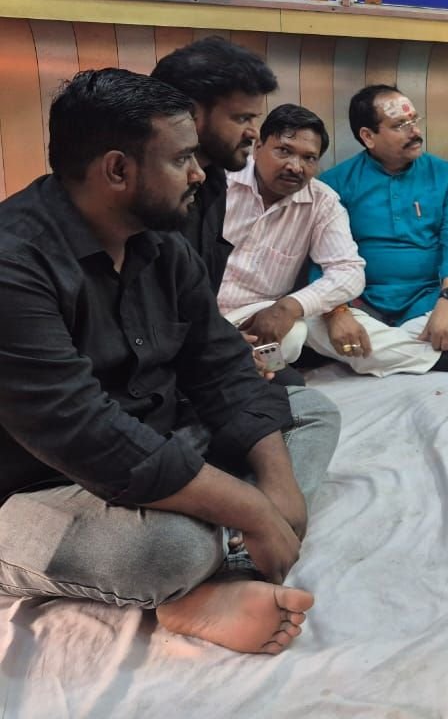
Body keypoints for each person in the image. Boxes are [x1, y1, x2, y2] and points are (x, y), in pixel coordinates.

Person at [0, 69, 339, 654]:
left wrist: (277, 483)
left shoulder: (160, 241)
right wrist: (254, 511)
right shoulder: (14, 265)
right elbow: (86, 435)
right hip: (39, 481)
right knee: (169, 550)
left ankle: (215, 569)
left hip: (154, 437)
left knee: (309, 413)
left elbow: (220, 364)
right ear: (118, 170)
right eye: (182, 159)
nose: (200, 173)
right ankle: (205, 571)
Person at [319, 85, 448, 376]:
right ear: (368, 136)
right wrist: (337, 313)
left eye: (414, 120)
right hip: (360, 302)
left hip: (428, 300)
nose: (415, 131)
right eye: (399, 125)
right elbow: (321, 256)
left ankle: (377, 355)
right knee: (310, 326)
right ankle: (441, 359)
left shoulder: (446, 175)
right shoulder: (334, 183)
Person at [218, 104, 373, 368]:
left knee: (303, 331)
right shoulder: (220, 181)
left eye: (309, 158)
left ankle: (434, 356)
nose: (295, 167)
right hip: (196, 313)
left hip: (261, 318)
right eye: (284, 151)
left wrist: (290, 306)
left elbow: (349, 270)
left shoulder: (322, 202)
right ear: (257, 148)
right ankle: (253, 370)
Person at [151, 36, 278, 293]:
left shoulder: (213, 180)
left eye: (254, 119)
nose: (254, 133)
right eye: (242, 118)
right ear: (190, 113)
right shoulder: (142, 193)